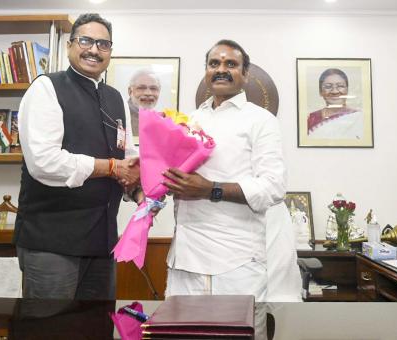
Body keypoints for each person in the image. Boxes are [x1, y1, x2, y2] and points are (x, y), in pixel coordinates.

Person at [13, 13, 140, 300]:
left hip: (103, 242)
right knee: (50, 329)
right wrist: (109, 167)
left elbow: (127, 158)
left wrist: (139, 190)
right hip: (52, 244)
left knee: (95, 328)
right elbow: (44, 162)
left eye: (103, 44)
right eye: (86, 40)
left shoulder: (115, 98)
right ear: (70, 45)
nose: (94, 50)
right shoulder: (47, 87)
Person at [163, 39, 288, 303]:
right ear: (206, 71)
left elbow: (273, 187)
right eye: (214, 63)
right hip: (184, 260)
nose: (221, 69)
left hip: (236, 263)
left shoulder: (261, 120)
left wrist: (211, 189)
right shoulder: (190, 120)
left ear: (244, 75)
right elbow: (169, 174)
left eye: (231, 64)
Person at [307, 68, 363, 139]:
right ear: (320, 92)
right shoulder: (311, 119)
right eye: (328, 86)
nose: (334, 91)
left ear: (347, 90)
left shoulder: (359, 118)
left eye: (340, 86)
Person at [127, 69, 161, 136]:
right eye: (141, 88)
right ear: (130, 91)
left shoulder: (162, 120)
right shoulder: (121, 118)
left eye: (153, 88)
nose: (148, 93)